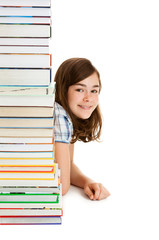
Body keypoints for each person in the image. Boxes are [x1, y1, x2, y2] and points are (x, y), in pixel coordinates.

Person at [54, 57, 110, 200]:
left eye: (94, 91)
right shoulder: (60, 115)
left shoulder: (66, 115)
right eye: (80, 89)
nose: (88, 98)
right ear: (62, 89)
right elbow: (61, 185)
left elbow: (69, 165)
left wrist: (88, 182)